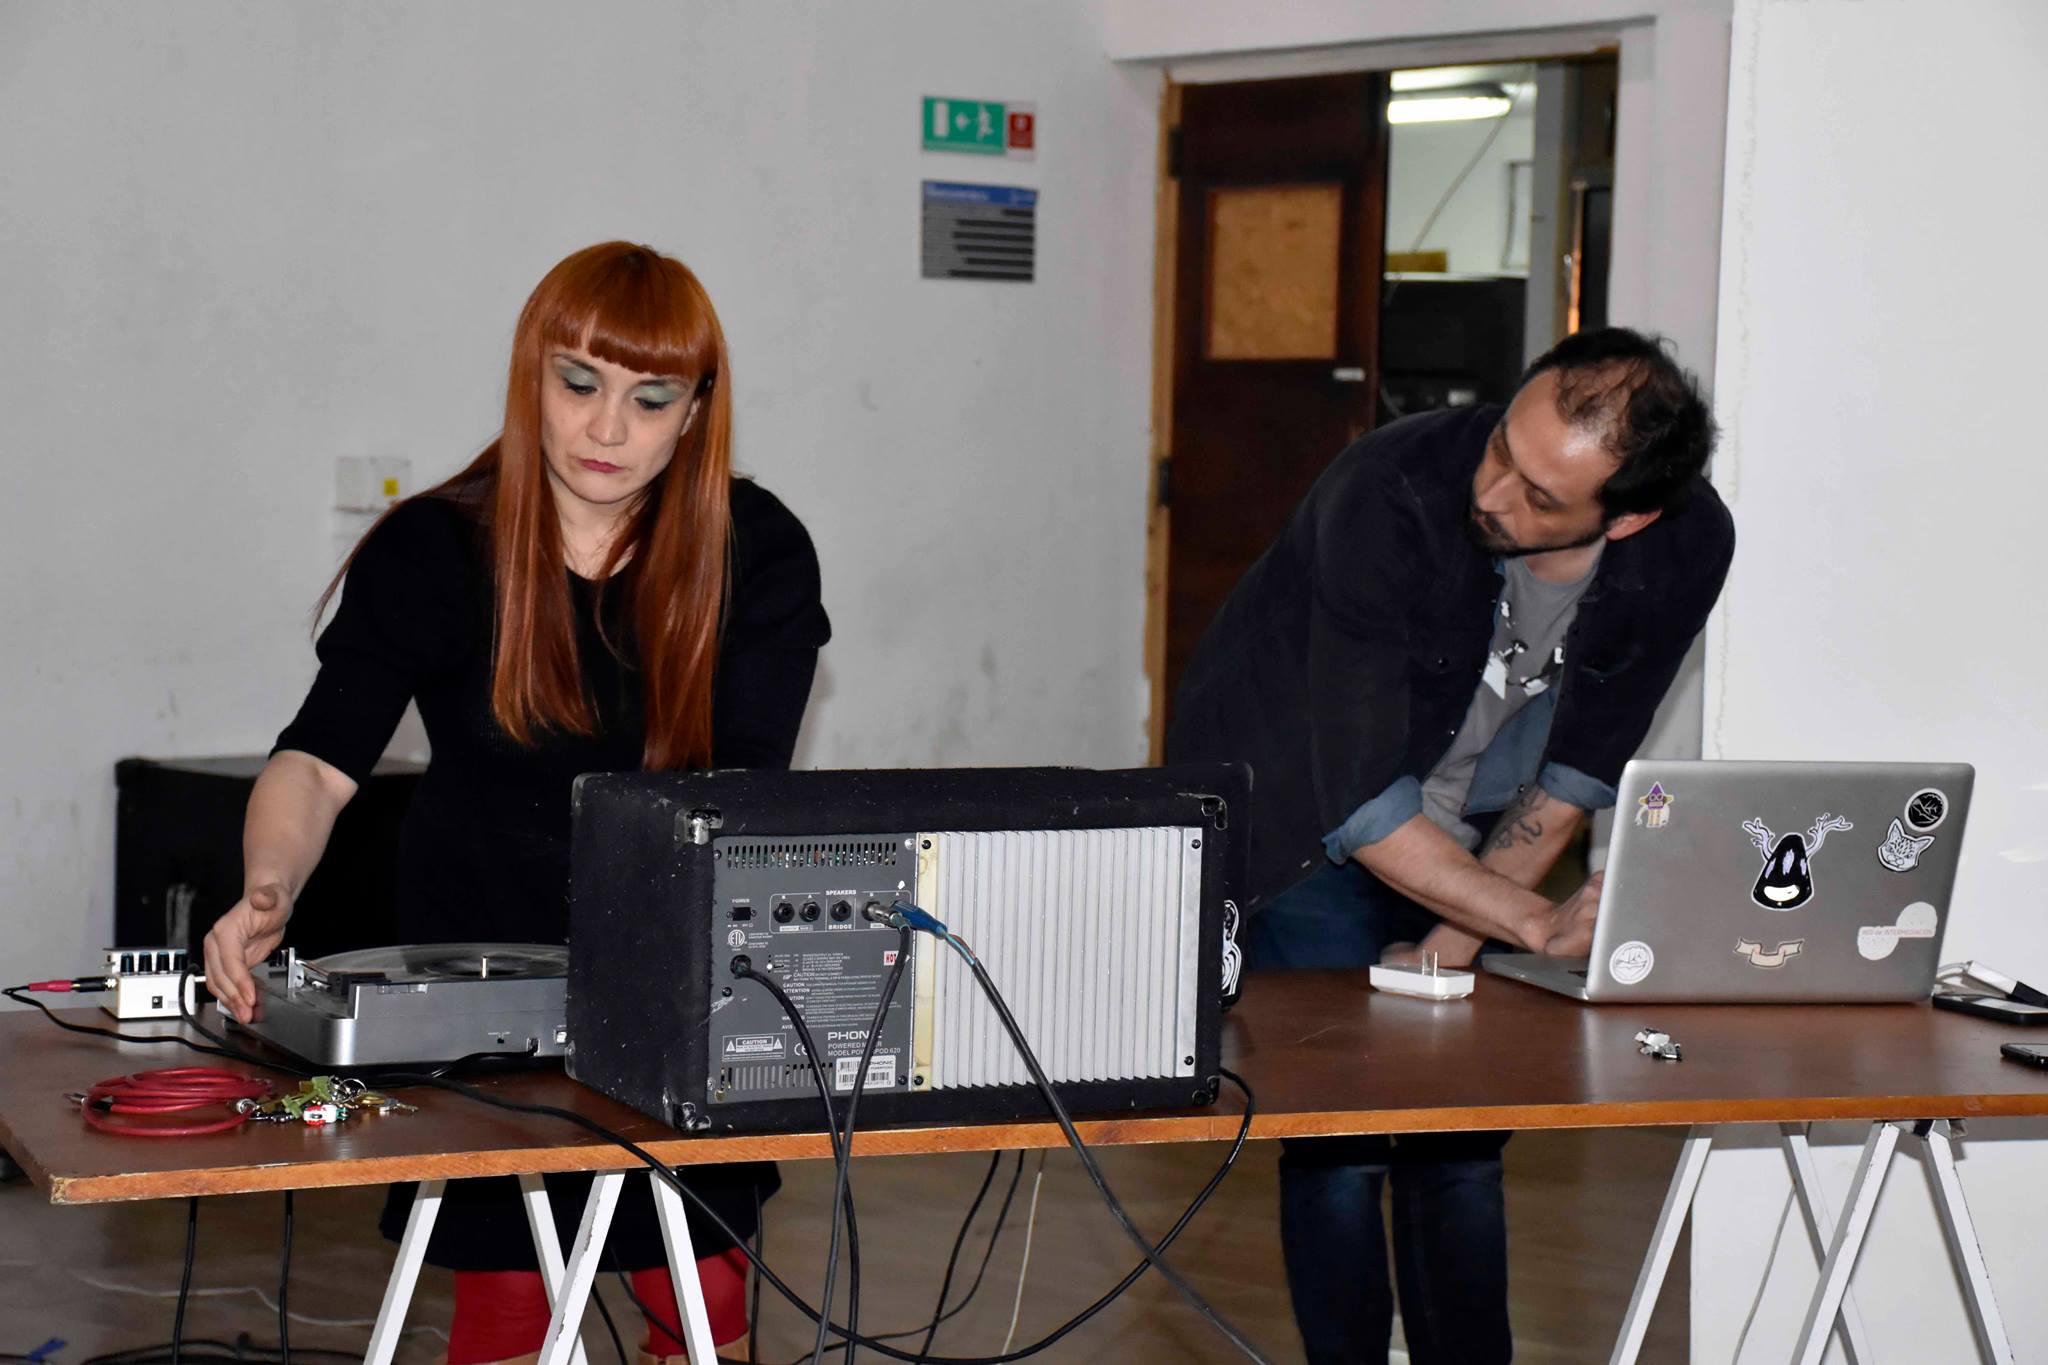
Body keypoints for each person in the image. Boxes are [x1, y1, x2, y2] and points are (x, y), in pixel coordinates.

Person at [203, 241, 830, 1365]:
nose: (606, 428)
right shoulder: (435, 548)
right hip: (476, 983)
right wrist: (268, 884)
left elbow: (743, 800)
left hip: (672, 977)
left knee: (701, 1295)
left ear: (695, 412)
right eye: (578, 384)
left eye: (649, 400)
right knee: (506, 1296)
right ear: (530, 376)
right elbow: (318, 762)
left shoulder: (758, 550)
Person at [1166, 327, 1734, 1364]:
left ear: (1628, 516)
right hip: (1299, 811)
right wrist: (1532, 923)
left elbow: (1578, 768)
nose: (1494, 493)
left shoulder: (1686, 545)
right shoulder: (1387, 490)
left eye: (1539, 496)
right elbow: (1357, 803)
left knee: (1460, 1132)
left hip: (1471, 820)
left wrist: (1453, 946)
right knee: (1339, 1133)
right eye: (1501, 447)